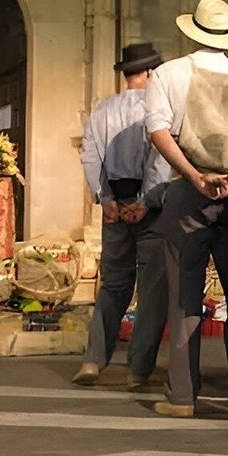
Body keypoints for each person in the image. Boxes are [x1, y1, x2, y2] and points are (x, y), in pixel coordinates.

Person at [145, 0, 228, 418]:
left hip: (189, 189)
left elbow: (157, 130)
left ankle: (183, 396)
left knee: (185, 293)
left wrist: (195, 177)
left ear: (191, 29)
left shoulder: (170, 73)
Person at [74, 42, 171, 390]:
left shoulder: (102, 110)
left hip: (113, 204)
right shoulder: (157, 108)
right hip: (149, 207)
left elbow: (89, 157)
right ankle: (137, 369)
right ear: (150, 73)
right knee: (151, 288)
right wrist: (145, 201)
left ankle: (93, 360)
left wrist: (106, 198)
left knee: (113, 284)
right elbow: (159, 159)